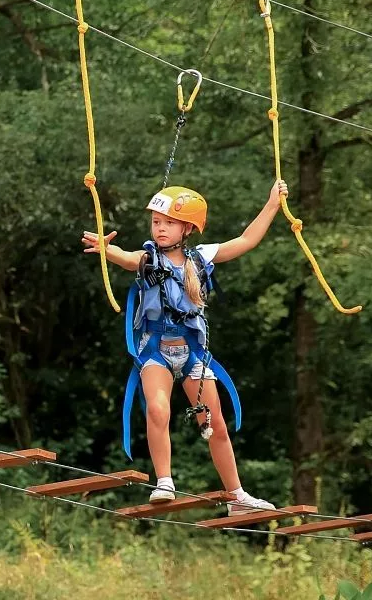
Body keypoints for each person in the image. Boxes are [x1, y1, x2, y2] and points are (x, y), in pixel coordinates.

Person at [82, 182, 288, 515]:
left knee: (215, 423)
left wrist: (272, 205)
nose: (159, 228)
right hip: (155, 351)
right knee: (157, 409)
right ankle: (164, 481)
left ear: (187, 228)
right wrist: (108, 250)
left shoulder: (200, 258)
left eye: (168, 222)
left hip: (192, 351)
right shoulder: (149, 259)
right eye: (156, 222)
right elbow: (127, 258)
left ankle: (236, 496)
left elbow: (246, 240)